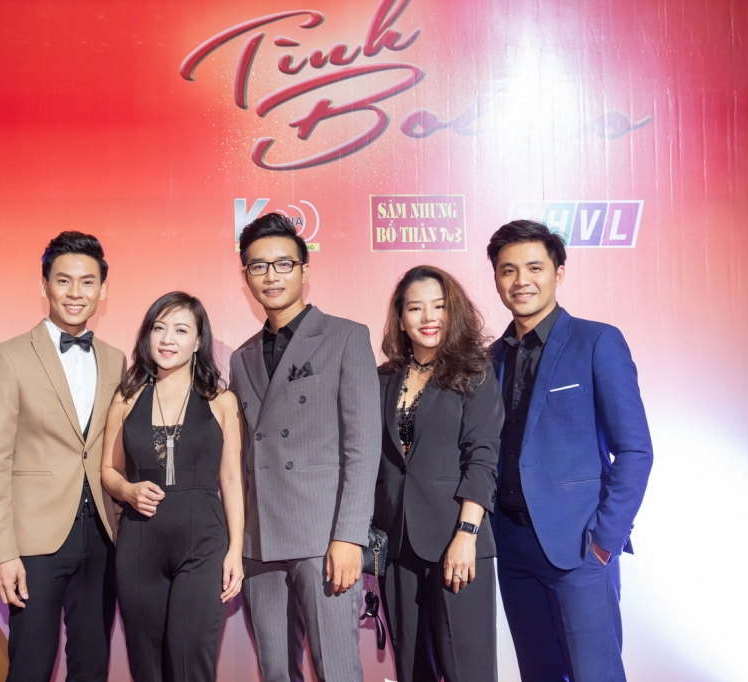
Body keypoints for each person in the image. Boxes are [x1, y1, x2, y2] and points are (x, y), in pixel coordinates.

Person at [487, 220, 654, 682]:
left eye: (534, 268)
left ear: (559, 273)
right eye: (508, 270)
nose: (521, 281)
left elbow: (635, 449)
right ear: (496, 279)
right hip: (512, 547)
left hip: (580, 548)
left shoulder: (597, 341)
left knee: (595, 673)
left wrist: (604, 541)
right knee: (538, 674)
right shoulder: (491, 358)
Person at [229, 213, 380, 682]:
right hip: (260, 542)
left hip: (323, 538)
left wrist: (349, 537)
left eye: (283, 264)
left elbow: (362, 447)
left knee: (336, 669)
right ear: (246, 276)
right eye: (258, 266)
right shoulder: (241, 357)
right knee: (276, 670)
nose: (271, 276)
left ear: (304, 269)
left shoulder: (346, 336)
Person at [0, 231, 125, 681]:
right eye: (63, 280)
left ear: (102, 289)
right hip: (32, 542)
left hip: (102, 537)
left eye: (87, 282)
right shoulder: (7, 357)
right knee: (30, 666)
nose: (75, 293)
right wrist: (1, 553)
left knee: (92, 666)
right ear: (44, 285)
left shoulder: (116, 359)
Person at [100, 292, 244, 682]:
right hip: (139, 544)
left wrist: (235, 550)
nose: (167, 339)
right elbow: (109, 471)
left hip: (204, 545)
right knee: (146, 664)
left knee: (191, 661)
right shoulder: (126, 399)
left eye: (181, 330)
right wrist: (128, 491)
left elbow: (232, 479)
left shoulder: (221, 401)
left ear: (198, 341)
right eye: (159, 328)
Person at [374, 266, 503, 682]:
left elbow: (482, 457)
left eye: (439, 307)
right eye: (416, 308)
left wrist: (466, 534)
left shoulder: (474, 372)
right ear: (400, 318)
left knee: (468, 670)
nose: (429, 317)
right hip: (397, 544)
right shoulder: (382, 378)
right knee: (413, 670)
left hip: (456, 542)